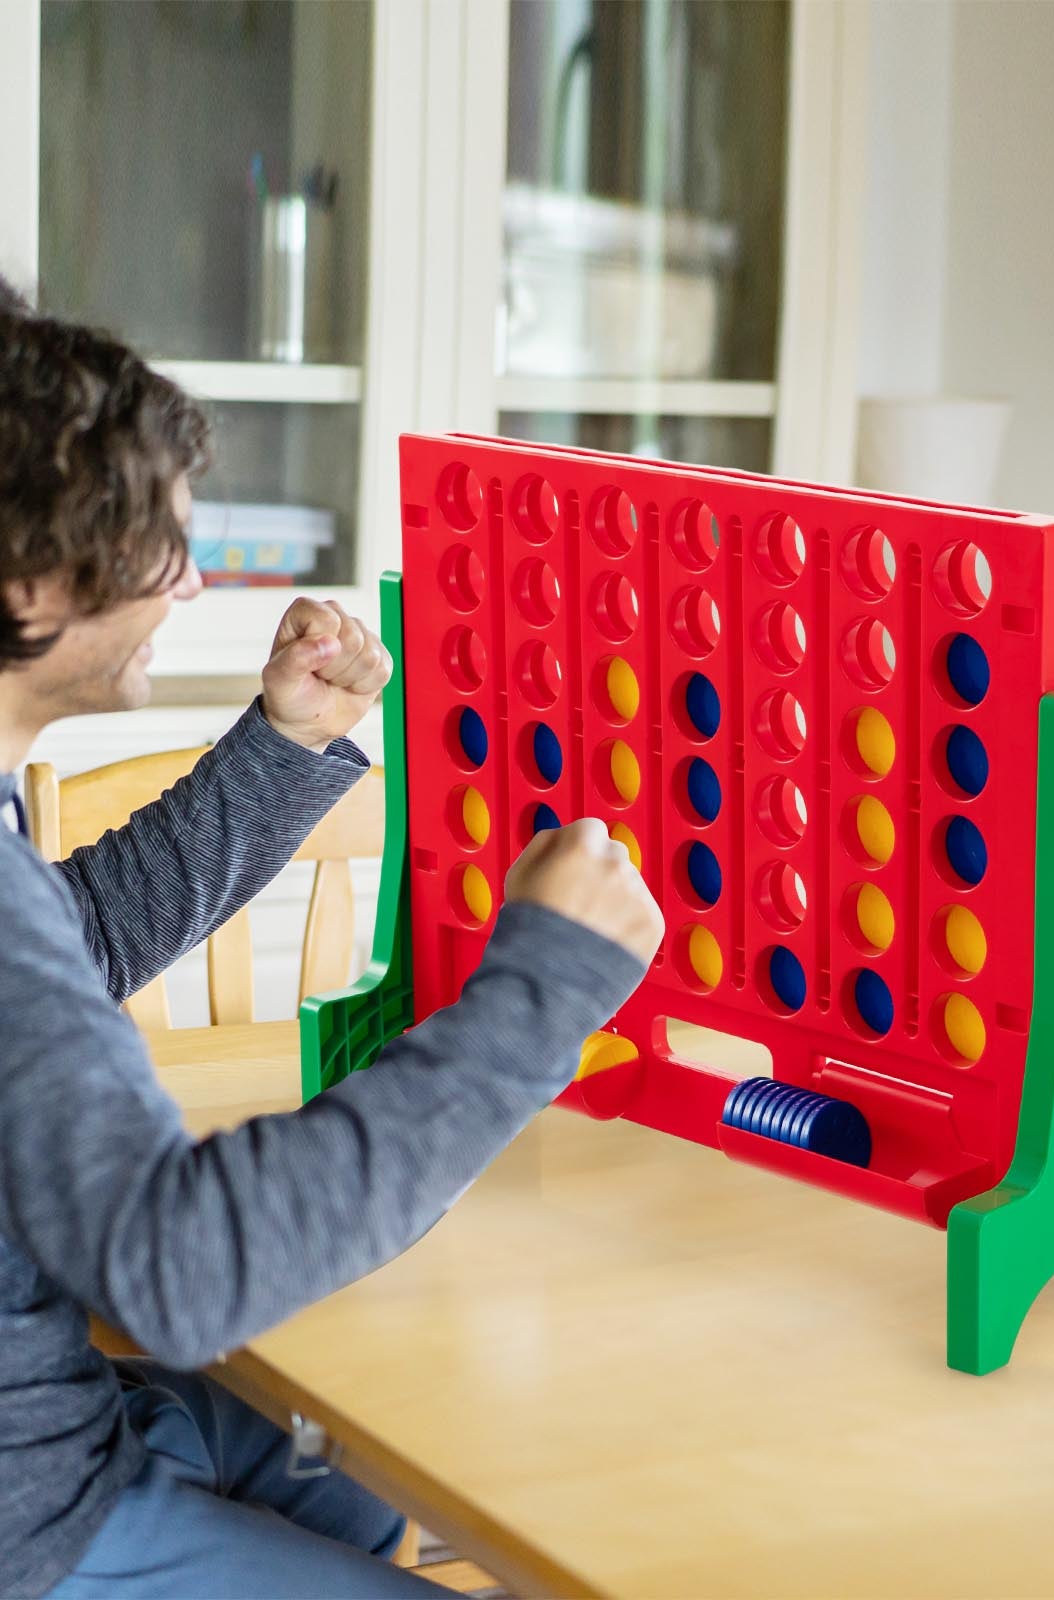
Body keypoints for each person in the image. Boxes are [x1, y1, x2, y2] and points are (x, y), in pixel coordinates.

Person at [0, 285, 663, 1597]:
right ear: (29, 580)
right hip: (36, 1521)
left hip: (69, 1420)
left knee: (346, 1478)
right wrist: (542, 991)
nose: (191, 582)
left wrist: (283, 746)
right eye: (150, 549)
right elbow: (183, 1265)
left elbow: (61, 949)